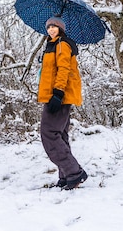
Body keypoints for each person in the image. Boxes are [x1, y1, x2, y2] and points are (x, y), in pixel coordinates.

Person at [38, 16, 88, 190]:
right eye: (49, 26)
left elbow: (64, 69)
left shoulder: (62, 44)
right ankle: (66, 176)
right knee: (60, 135)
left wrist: (58, 93)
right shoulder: (52, 45)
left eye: (54, 26)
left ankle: (74, 173)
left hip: (59, 95)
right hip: (53, 94)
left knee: (49, 133)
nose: (51, 29)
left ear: (61, 28)